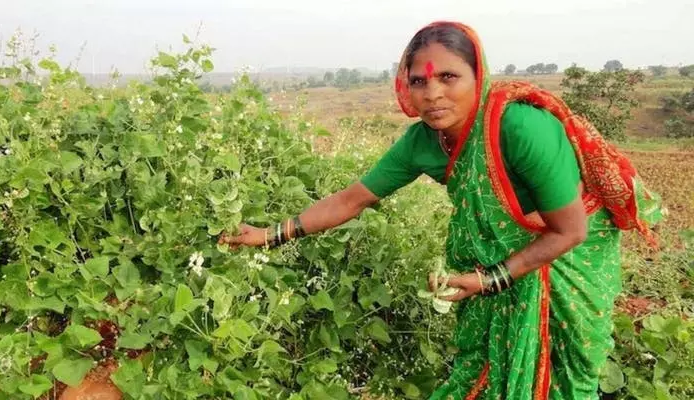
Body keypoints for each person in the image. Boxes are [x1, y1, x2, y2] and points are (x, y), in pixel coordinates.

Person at [219, 21, 662, 400]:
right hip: (507, 257)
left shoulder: (521, 127)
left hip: (570, 253)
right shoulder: (422, 142)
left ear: (478, 76)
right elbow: (351, 200)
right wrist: (270, 234)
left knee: (566, 365)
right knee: (489, 358)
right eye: (419, 81)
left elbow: (569, 232)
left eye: (449, 77)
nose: (432, 94)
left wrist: (491, 280)